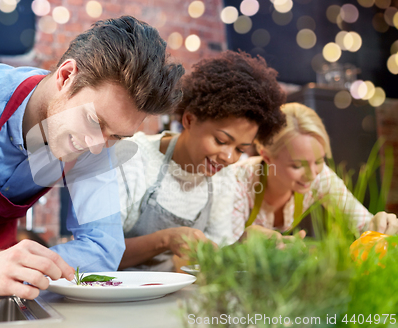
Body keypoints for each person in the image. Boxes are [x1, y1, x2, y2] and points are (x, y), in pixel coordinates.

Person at [0, 16, 184, 309]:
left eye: (118, 137)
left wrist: (24, 268)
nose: (98, 148)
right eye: (93, 121)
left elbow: (103, 248)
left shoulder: (99, 141)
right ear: (66, 76)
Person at [116, 51, 286, 271]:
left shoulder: (223, 176)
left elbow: (212, 260)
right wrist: (165, 240)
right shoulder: (134, 158)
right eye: (220, 140)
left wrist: (242, 245)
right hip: (118, 296)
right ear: (189, 119)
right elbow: (98, 253)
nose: (228, 157)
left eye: (240, 149)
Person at [233, 102, 398, 241]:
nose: (312, 174)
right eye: (297, 166)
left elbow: (362, 225)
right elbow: (221, 246)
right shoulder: (238, 180)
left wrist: (381, 226)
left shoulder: (321, 177)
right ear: (267, 158)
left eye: (319, 161)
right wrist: (245, 239)